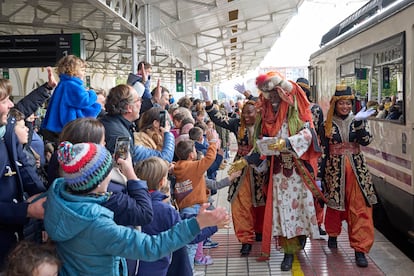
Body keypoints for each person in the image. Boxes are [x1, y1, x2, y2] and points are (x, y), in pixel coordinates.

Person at [43, 141, 229, 276]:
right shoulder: (97, 225)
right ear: (99, 180)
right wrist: (198, 223)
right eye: (110, 170)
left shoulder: (59, 200)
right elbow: (151, 247)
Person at [228, 71, 324, 270]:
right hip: (278, 172)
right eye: (268, 95)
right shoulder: (265, 118)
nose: (271, 100)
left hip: (298, 171)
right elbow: (260, 144)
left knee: (301, 209)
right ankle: (288, 252)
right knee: (283, 211)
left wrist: (286, 142)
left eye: (274, 94)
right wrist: (245, 161)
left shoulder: (297, 114)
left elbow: (309, 135)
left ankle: (299, 239)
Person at [319, 85, 377, 268]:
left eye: (348, 103)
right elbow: (322, 150)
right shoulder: (326, 124)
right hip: (334, 172)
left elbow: (366, 141)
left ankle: (360, 250)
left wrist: (360, 124)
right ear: (335, 104)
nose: (345, 106)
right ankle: (333, 234)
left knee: (360, 208)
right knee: (335, 205)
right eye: (341, 103)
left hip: (357, 172)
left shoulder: (357, 120)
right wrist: (320, 176)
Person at [203, 88, 265, 257]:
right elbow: (219, 119)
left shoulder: (266, 123)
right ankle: (246, 239)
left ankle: (260, 231)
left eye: (250, 113)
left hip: (262, 169)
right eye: (243, 113)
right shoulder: (237, 123)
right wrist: (208, 103)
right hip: (240, 168)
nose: (246, 116)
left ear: (257, 112)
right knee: (240, 203)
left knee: (261, 202)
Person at [0, 79, 47, 266]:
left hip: (15, 231)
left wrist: (42, 195)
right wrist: (25, 209)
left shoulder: (7, 133)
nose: (11, 105)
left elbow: (25, 170)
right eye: (5, 101)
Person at [172, 128, 218, 271]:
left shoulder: (177, 166)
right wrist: (212, 142)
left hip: (185, 206)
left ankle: (196, 261)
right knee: (191, 243)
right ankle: (189, 270)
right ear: (192, 155)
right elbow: (210, 158)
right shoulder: (193, 167)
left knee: (195, 238)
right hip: (195, 206)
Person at [99, 84, 175, 164]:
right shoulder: (121, 138)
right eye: (138, 100)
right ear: (129, 108)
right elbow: (122, 166)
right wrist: (167, 133)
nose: (141, 103)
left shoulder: (109, 122)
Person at [41, 55, 101, 143]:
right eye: (82, 70)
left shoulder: (63, 83)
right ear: (73, 70)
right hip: (69, 126)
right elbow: (84, 100)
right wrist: (92, 93)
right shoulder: (72, 84)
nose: (84, 73)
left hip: (58, 127)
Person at [296, 77, 326, 236]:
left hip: (312, 155)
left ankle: (318, 223)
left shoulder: (316, 109)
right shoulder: (290, 109)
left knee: (316, 190)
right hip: (296, 156)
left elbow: (321, 133)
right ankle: (301, 223)